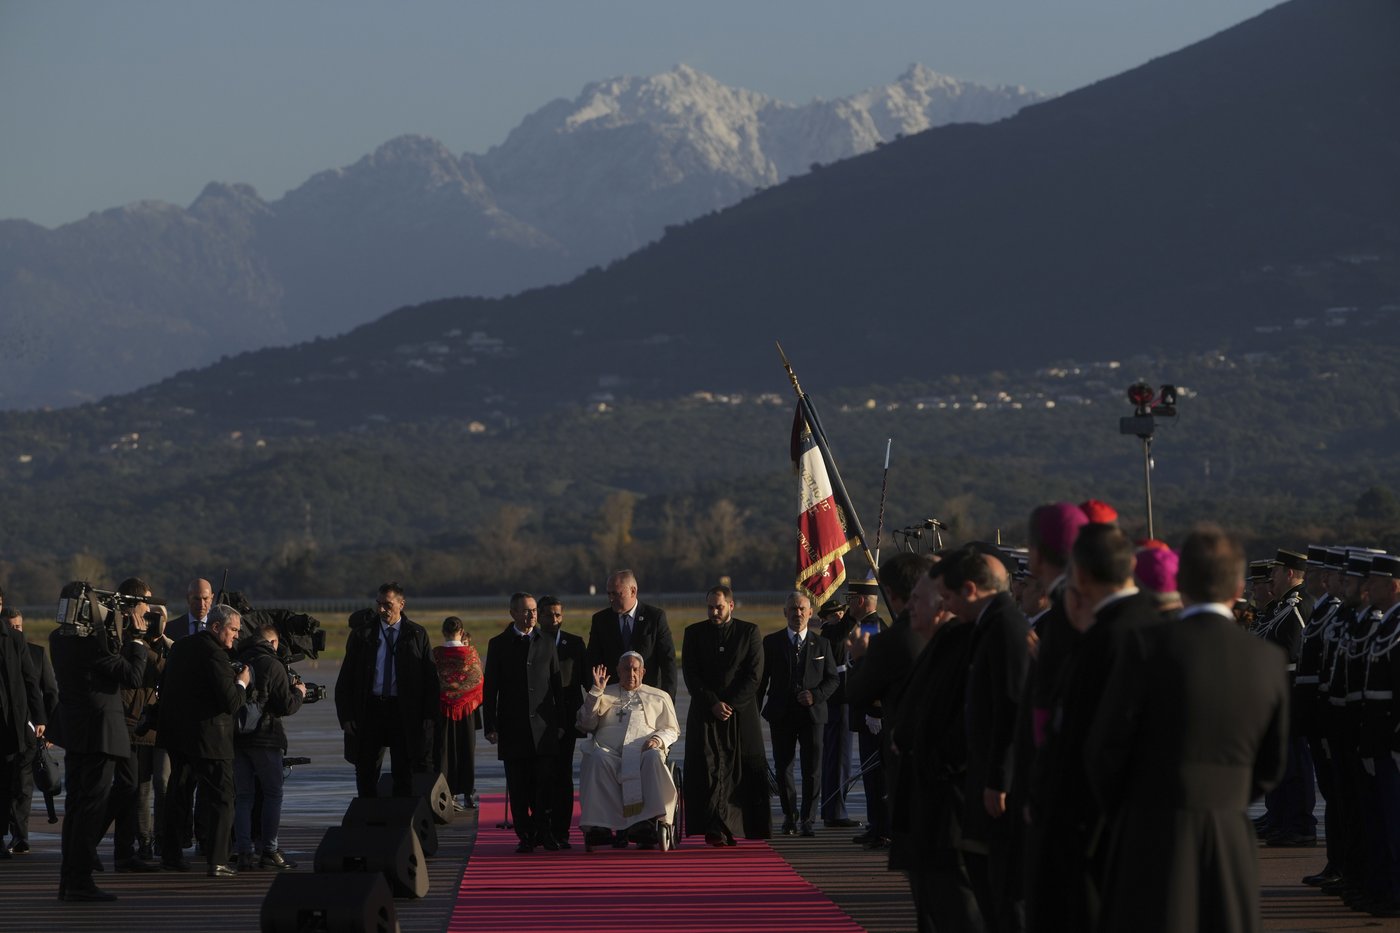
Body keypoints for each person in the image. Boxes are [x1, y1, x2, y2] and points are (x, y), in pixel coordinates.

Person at [1086, 525, 1288, 933]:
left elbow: (1105, 750)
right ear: (1237, 586)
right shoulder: (1266, 659)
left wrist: (1129, 810)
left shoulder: (1146, 646)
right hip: (1230, 830)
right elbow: (1271, 764)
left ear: (1180, 584)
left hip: (1152, 828)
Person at [1025, 524, 1162, 933]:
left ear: (1080, 575)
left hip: (1091, 824)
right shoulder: (1155, 623)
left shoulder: (1104, 638)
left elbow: (1091, 739)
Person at [939, 544, 1029, 933]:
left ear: (970, 589)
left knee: (1004, 894)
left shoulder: (1006, 627)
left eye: (949, 597)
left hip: (998, 787)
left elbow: (1013, 708)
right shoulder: (989, 625)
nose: (948, 606)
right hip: (985, 776)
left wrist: (1000, 778)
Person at [49, 585, 144, 900]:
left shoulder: (57, 640)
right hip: (100, 734)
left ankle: (69, 879)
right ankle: (79, 882)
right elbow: (132, 676)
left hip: (75, 733)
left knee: (75, 807)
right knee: (90, 808)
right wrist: (138, 640)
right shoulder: (91, 647)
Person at [158, 603, 249, 877]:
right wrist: (242, 682)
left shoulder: (182, 647)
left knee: (178, 795)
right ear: (217, 626)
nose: (236, 636)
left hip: (177, 736)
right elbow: (231, 701)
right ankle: (218, 859)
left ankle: (171, 855)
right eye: (233, 629)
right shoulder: (214, 655)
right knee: (223, 798)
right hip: (210, 740)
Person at [334, 582, 439, 798]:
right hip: (371, 708)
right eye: (379, 604)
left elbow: (430, 679)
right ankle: (368, 817)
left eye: (388, 605)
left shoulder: (416, 634)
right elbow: (346, 679)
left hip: (403, 711)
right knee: (366, 768)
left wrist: (429, 714)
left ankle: (401, 821)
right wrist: (346, 716)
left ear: (402, 604)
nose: (382, 610)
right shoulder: (362, 635)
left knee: (404, 768)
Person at [681, 584, 766, 846]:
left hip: (738, 714)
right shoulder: (694, 633)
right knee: (707, 768)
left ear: (731, 605)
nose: (714, 612)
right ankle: (712, 826)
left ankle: (735, 825)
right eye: (710, 607)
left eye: (719, 607)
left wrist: (729, 704)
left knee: (736, 771)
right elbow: (690, 673)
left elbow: (754, 675)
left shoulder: (748, 632)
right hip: (706, 712)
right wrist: (713, 703)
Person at [482, 592, 564, 853]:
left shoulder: (547, 642)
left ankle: (545, 831)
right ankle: (526, 834)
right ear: (513, 614)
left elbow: (557, 686)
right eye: (526, 611)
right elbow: (490, 688)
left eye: (534, 611)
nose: (532, 615)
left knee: (544, 784)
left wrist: (561, 722)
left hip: (543, 727)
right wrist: (491, 725)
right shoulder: (499, 644)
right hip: (513, 726)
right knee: (518, 786)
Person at [576, 652, 680, 849]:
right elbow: (586, 724)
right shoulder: (604, 693)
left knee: (653, 758)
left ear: (643, 672)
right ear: (618, 671)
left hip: (642, 752)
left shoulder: (659, 696)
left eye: (635, 669)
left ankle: (647, 822)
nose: (630, 673)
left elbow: (671, 729)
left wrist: (658, 740)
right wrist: (595, 692)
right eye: (626, 669)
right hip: (609, 753)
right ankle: (600, 825)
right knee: (596, 757)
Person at [760, 591, 838, 837]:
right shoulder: (771, 643)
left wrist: (815, 694)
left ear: (810, 612)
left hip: (812, 715)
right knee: (783, 767)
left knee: (812, 769)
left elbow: (833, 679)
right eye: (793, 609)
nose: (798, 613)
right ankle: (790, 816)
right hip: (781, 714)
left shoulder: (821, 644)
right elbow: (761, 681)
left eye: (802, 609)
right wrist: (752, 711)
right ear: (785, 613)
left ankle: (808, 818)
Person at [232, 620, 306, 871]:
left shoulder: (237, 658)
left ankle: (243, 851)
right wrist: (299, 693)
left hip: (238, 738)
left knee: (243, 797)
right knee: (273, 794)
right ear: (273, 642)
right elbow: (285, 705)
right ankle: (269, 849)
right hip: (265, 737)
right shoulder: (273, 664)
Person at [104, 580, 167, 872]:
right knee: (126, 788)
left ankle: (124, 852)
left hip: (141, 723)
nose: (150, 609)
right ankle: (100, 843)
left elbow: (162, 671)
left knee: (131, 791)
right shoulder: (117, 635)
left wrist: (157, 640)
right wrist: (138, 639)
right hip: (126, 722)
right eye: (146, 603)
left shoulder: (140, 637)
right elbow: (136, 672)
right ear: (133, 603)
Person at [4, 607, 58, 857]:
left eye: (19, 626)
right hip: (7, 726)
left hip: (28, 730)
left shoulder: (37, 653)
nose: (16, 630)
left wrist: (46, 726)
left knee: (24, 786)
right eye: (11, 626)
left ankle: (20, 836)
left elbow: (48, 692)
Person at [842, 576, 889, 846]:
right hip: (865, 714)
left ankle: (882, 829)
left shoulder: (872, 628)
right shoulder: (865, 625)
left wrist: (875, 710)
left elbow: (875, 674)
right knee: (870, 776)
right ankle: (876, 824)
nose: (848, 604)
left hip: (873, 717)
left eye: (850, 599)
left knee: (876, 775)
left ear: (860, 600)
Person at [538, 596, 588, 848]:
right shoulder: (530, 643)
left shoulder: (575, 644)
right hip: (539, 722)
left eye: (558, 615)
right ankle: (541, 828)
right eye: (548, 615)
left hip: (567, 721)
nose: (554, 620)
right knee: (541, 775)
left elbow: (589, 682)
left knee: (563, 775)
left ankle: (562, 831)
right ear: (538, 616)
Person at [586, 570, 676, 699]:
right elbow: (593, 660)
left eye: (616, 594)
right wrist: (596, 695)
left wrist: (668, 700)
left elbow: (668, 662)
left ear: (633, 591)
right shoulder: (601, 620)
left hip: (648, 697)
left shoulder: (654, 617)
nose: (611, 598)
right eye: (609, 593)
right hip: (612, 697)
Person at [432, 616, 483, 813]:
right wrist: (463, 695)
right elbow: (478, 681)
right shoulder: (470, 653)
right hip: (466, 710)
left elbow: (432, 680)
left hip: (443, 709)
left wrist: (448, 693)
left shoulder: (436, 653)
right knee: (466, 750)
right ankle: (468, 793)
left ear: (443, 632)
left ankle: (446, 793)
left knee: (444, 751)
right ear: (461, 632)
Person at [815, 598, 858, 828]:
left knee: (838, 759)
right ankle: (836, 811)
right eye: (834, 614)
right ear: (826, 618)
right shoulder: (830, 634)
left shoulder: (831, 632)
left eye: (841, 613)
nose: (839, 617)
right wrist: (855, 607)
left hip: (839, 700)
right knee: (839, 758)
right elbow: (844, 629)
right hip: (838, 701)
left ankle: (833, 809)